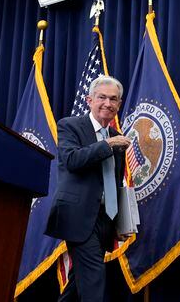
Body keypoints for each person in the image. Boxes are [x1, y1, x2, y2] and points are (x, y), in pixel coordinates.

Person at [45, 75, 131, 302]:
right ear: (89, 100)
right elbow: (72, 160)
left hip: (105, 219)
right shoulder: (70, 125)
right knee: (94, 283)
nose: (108, 103)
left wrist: (121, 221)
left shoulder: (116, 137)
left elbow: (115, 181)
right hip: (78, 217)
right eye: (102, 97)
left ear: (119, 105)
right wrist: (107, 144)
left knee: (78, 284)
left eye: (114, 99)